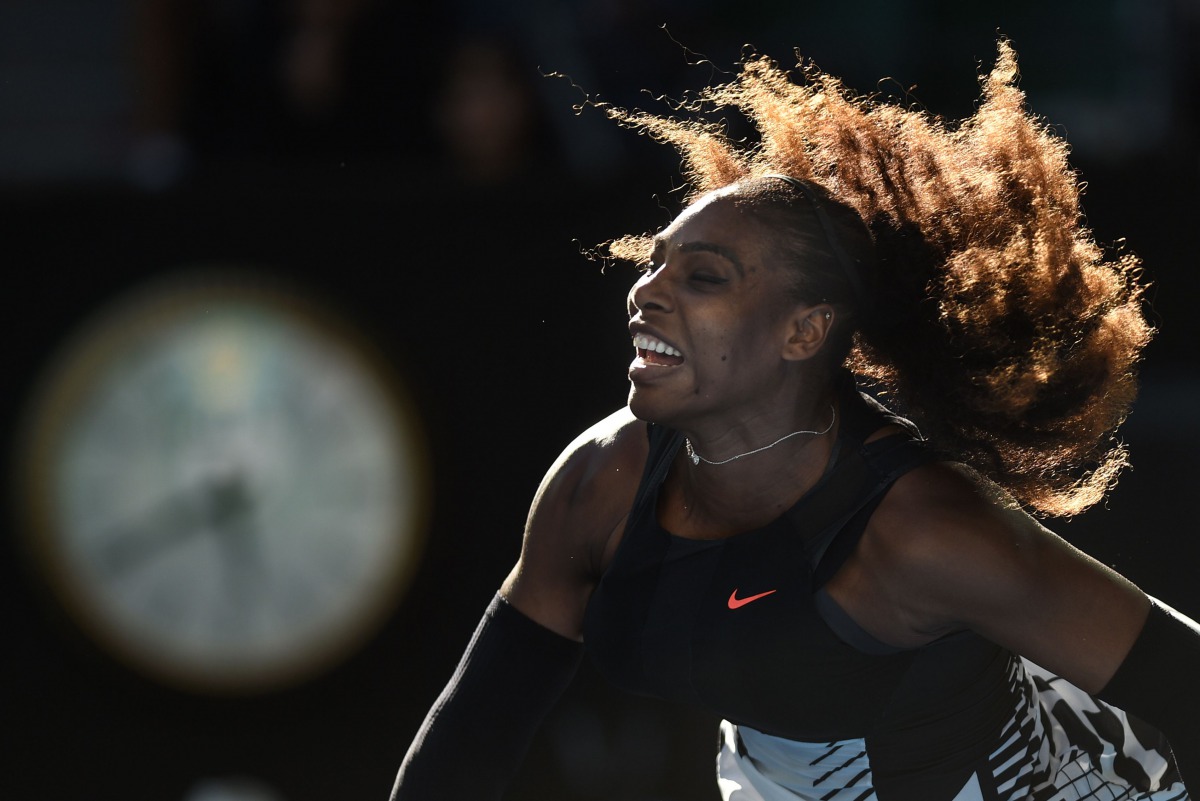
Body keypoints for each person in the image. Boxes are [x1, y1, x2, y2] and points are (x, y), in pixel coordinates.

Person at [390, 41, 1200, 801]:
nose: (647, 290)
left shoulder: (925, 532)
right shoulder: (600, 482)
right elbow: (474, 733)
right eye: (653, 263)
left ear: (804, 331)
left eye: (703, 276)